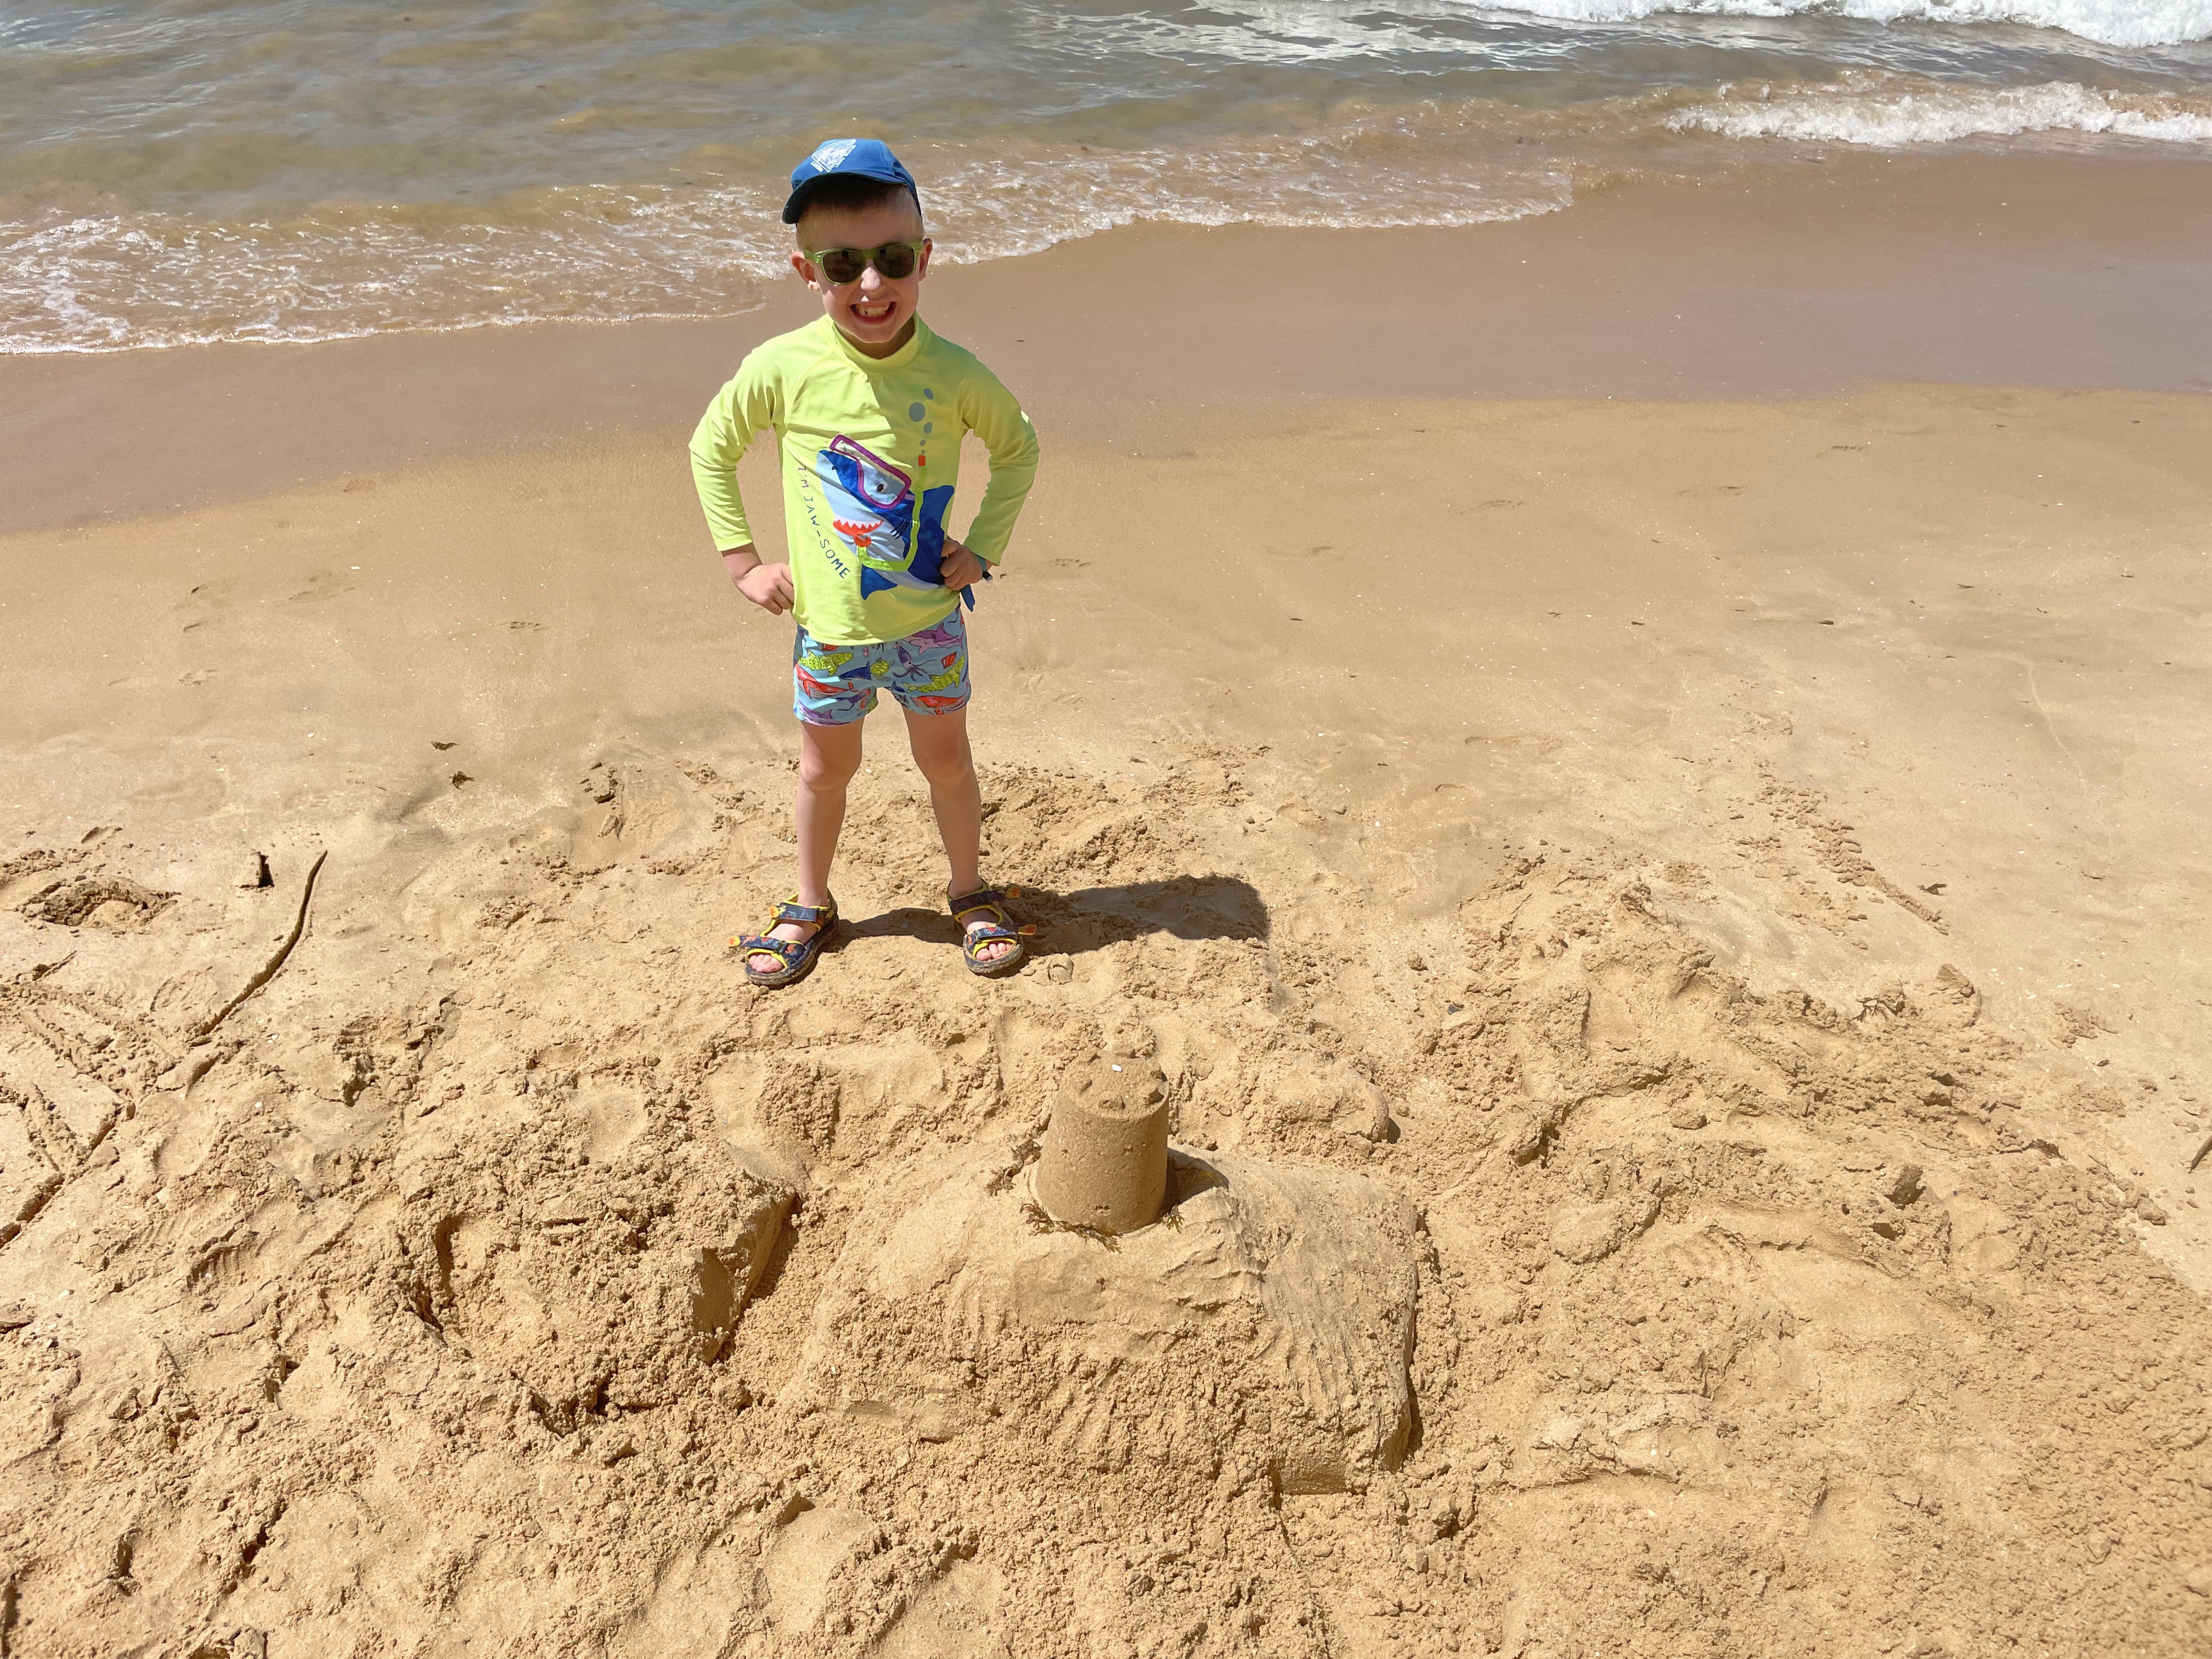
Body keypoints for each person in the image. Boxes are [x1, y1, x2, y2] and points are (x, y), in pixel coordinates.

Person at [690, 138, 1041, 987]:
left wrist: (982, 548)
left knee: (947, 761)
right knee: (824, 770)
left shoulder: (954, 374)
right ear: (806, 271)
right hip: (830, 633)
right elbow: (711, 450)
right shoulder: (783, 367)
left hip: (928, 626)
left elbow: (1018, 449)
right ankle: (811, 903)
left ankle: (969, 892)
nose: (871, 284)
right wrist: (744, 564)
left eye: (892, 258)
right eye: (843, 264)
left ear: (925, 257)